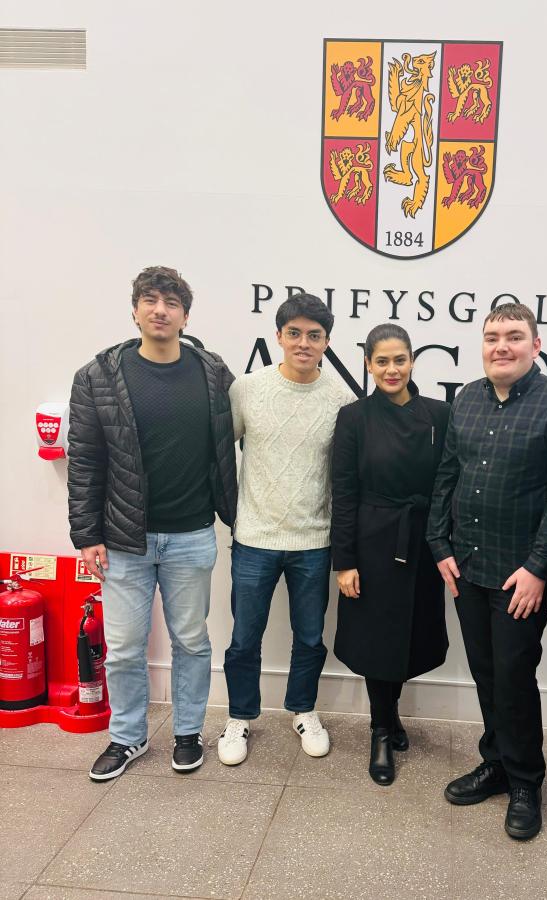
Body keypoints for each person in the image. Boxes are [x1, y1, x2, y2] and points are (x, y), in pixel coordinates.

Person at [67, 265, 237, 781]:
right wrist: (86, 534)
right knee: (122, 646)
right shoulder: (98, 376)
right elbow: (85, 459)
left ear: (186, 315)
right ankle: (127, 737)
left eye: (170, 302)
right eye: (150, 300)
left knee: (191, 640)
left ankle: (187, 732)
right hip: (123, 538)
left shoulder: (212, 372)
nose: (160, 310)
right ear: (135, 308)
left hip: (191, 533)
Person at [426, 302, 547, 839]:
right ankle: (495, 761)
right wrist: (438, 542)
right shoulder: (467, 398)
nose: (501, 346)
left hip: (520, 575)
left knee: (515, 677)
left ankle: (525, 780)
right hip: (467, 565)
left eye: (514, 336)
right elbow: (448, 472)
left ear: (535, 345)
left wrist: (539, 568)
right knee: (486, 672)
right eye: (492, 336)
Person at [217, 293, 355, 766]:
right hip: (254, 539)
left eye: (314, 335)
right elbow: (219, 454)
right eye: (293, 333)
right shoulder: (248, 389)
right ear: (278, 337)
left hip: (315, 542)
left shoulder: (341, 400)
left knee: (311, 637)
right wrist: (229, 511)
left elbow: (346, 474)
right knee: (244, 638)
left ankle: (303, 709)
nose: (303, 342)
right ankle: (239, 717)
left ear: (327, 342)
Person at [331, 324, 450, 785]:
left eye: (399, 359)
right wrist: (345, 561)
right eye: (382, 361)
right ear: (368, 364)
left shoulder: (440, 414)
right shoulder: (354, 417)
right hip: (370, 542)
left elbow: (447, 485)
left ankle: (393, 716)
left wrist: (444, 544)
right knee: (376, 639)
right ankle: (380, 728)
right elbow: (343, 492)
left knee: (410, 636)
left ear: (413, 360)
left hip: (422, 542)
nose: (392, 369)